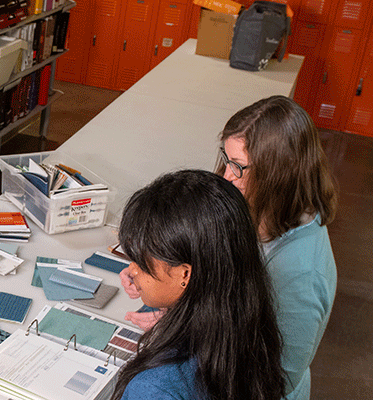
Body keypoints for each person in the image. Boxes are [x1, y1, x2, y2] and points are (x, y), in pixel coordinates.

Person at [120, 95, 338, 400]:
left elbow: (276, 379)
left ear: (278, 175)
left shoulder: (302, 275)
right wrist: (166, 292)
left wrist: (182, 332)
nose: (226, 176)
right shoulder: (258, 211)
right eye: (226, 160)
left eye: (238, 167)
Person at [112, 169, 286, 400]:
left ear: (185, 274)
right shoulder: (246, 329)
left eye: (142, 261)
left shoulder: (154, 388)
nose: (132, 270)